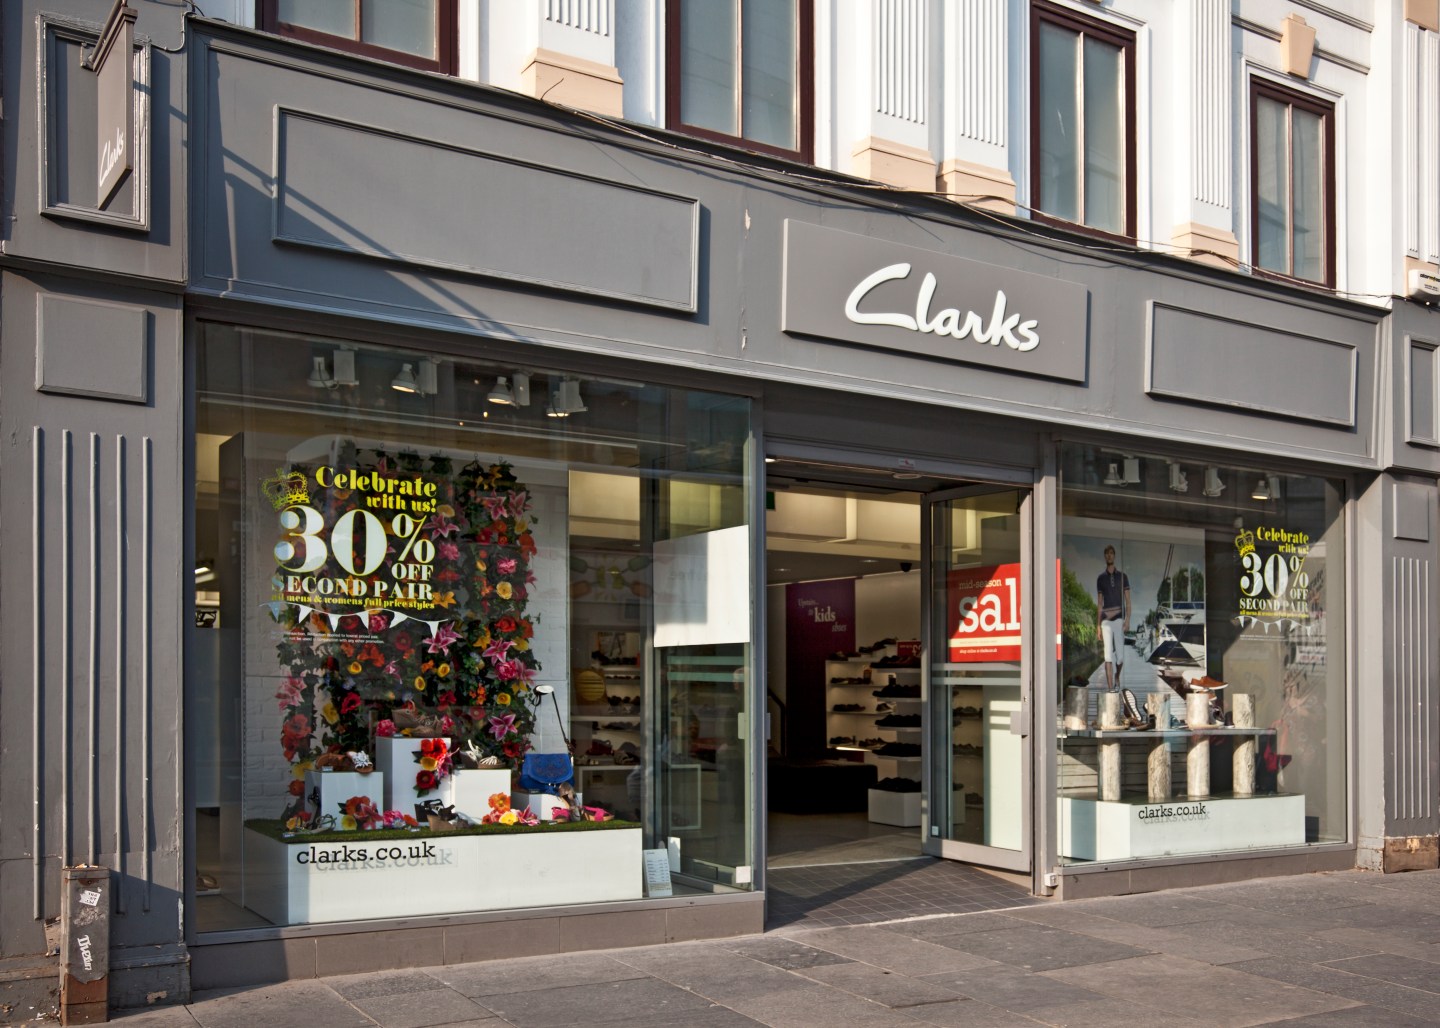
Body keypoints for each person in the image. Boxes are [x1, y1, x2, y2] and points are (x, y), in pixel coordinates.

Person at [1095, 545, 1131, 691]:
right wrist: (1097, 625)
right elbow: (1099, 603)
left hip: (1118, 619)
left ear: (1114, 556)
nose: (1109, 556)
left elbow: (1128, 601)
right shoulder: (1100, 578)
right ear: (1105, 557)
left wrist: (1127, 620)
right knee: (1108, 656)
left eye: (1111, 553)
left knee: (1120, 657)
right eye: (1107, 554)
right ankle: (1111, 689)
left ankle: (1117, 676)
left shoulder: (1123, 577)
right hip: (1105, 621)